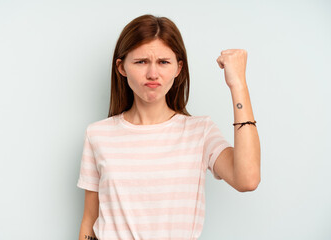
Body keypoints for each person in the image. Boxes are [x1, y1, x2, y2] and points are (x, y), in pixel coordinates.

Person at [77, 14, 260, 240]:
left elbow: (247, 179)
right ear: (121, 67)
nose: (153, 73)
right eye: (141, 61)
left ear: (178, 68)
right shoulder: (98, 135)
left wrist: (238, 84)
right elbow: (89, 220)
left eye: (163, 62)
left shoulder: (199, 132)